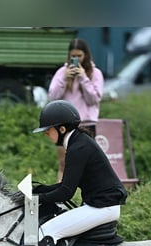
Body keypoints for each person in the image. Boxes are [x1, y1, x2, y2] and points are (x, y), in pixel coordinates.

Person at [29, 100, 127, 246]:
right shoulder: (79, 142)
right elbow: (65, 185)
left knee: (46, 231)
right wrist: (39, 189)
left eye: (48, 130)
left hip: (101, 209)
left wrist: (35, 199)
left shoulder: (77, 148)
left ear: (61, 129)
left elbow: (66, 192)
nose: (46, 135)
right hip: (99, 205)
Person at [46, 38, 104, 181]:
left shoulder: (95, 73)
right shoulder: (62, 72)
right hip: (64, 124)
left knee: (88, 164)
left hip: (86, 124)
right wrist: (64, 79)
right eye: (73, 56)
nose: (76, 59)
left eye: (79, 56)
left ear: (86, 55)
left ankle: (88, 198)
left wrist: (83, 78)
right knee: (63, 163)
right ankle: (60, 199)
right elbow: (52, 97)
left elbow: (94, 99)